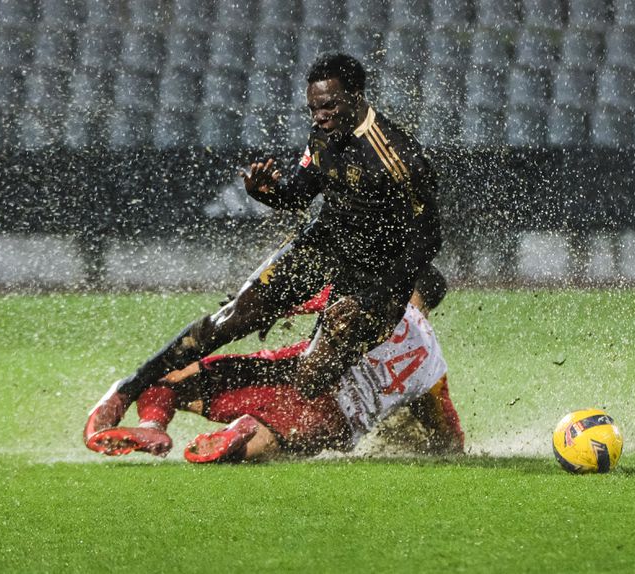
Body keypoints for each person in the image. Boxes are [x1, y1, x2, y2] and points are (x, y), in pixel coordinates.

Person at [86, 52, 442, 434]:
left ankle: (239, 407)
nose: (319, 115)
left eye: (328, 105)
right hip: (322, 246)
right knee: (230, 320)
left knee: (311, 376)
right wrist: (267, 194)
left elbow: (428, 239)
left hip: (376, 278)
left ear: (356, 95)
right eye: (313, 108)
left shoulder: (398, 155)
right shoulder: (322, 133)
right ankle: (127, 390)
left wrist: (373, 298)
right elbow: (301, 196)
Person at [84, 266, 464, 462]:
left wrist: (259, 311)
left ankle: (153, 425)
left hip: (284, 369)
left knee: (173, 376)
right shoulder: (433, 363)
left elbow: (294, 299)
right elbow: (445, 427)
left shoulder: (371, 295)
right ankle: (242, 434)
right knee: (271, 437)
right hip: (334, 418)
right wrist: (451, 452)